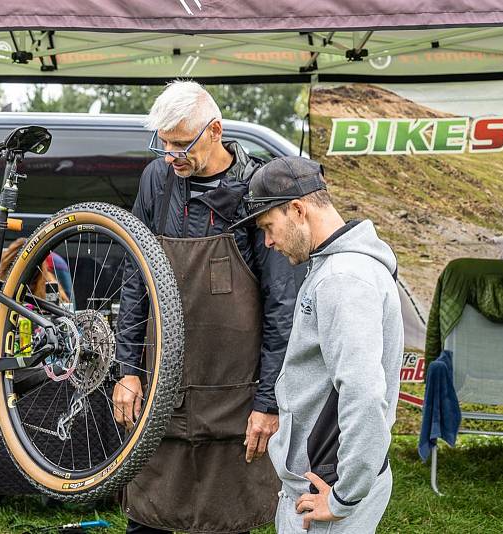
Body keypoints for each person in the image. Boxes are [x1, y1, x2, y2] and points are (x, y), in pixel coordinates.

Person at [112, 81, 299, 533]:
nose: (171, 154)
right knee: (148, 513)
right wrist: (128, 369)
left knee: (225, 518)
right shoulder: (157, 180)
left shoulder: (256, 188)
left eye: (181, 144)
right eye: (164, 143)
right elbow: (136, 277)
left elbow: (282, 304)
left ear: (214, 130)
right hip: (162, 386)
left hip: (232, 393)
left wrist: (268, 401)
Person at [230, 156, 403, 534]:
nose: (268, 241)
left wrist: (345, 496)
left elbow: (363, 392)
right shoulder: (338, 268)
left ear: (297, 209)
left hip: (326, 486)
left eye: (268, 227)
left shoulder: (342, 280)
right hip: (322, 478)